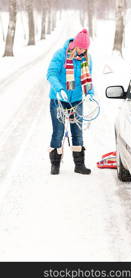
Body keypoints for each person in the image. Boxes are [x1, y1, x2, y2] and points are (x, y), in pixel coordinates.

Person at [47, 29, 94, 175]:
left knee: (77, 132)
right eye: (80, 48)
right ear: (74, 45)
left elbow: (88, 78)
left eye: (85, 49)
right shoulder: (60, 54)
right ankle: (55, 165)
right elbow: (51, 74)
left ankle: (79, 165)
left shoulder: (87, 58)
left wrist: (90, 93)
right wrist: (60, 89)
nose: (82, 52)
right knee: (58, 132)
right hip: (58, 99)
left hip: (76, 101)